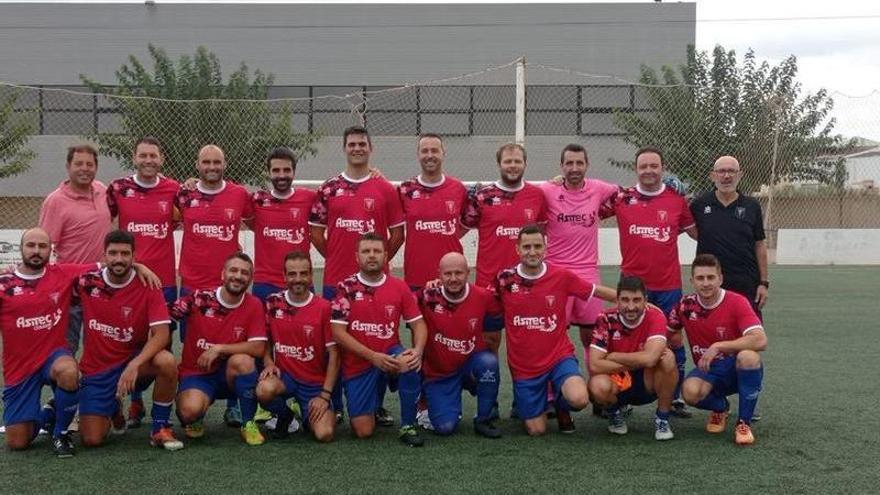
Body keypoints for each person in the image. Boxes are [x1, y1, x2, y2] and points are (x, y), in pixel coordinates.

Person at [309, 125, 405, 425]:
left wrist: (377, 262)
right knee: (334, 345)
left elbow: (398, 233)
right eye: (352, 144)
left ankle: (374, 404)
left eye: (362, 143)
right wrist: (338, 257)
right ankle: (335, 405)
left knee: (377, 341)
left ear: (371, 148)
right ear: (344, 148)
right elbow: (315, 232)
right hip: (336, 283)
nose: (357, 148)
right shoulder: (328, 188)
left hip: (376, 285)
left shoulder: (385, 188)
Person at [599, 146, 697, 417]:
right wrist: (558, 183)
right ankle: (623, 394)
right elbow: (585, 205)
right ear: (636, 169)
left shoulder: (677, 199)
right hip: (631, 286)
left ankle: (674, 397)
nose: (649, 171)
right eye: (644, 166)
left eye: (654, 166)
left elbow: (699, 232)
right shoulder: (621, 198)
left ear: (662, 168)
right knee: (625, 343)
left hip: (667, 286)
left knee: (673, 340)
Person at [492, 224, 616, 436]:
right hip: (524, 367)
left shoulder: (561, 276)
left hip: (559, 357)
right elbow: (480, 299)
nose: (532, 252)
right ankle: (534, 401)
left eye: (538, 246)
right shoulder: (504, 279)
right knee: (536, 430)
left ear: (546, 248)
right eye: (527, 246)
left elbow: (596, 291)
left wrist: (632, 300)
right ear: (517, 249)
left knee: (579, 398)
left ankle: (562, 407)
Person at [75, 230, 182, 451]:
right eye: (113, 253)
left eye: (125, 253)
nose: (119, 259)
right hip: (97, 370)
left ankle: (160, 428)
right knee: (92, 439)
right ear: (103, 255)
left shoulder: (148, 284)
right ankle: (112, 407)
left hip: (134, 364)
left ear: (134, 256)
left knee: (167, 361)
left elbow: (162, 334)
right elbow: (51, 274)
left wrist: (135, 364)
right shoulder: (87, 281)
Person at [175, 144, 253, 427]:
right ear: (197, 165)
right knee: (193, 344)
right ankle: (196, 397)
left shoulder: (239, 194)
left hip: (232, 287)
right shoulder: (184, 194)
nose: (211, 167)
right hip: (193, 286)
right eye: (206, 162)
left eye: (216, 162)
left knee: (235, 344)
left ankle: (234, 405)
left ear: (225, 164)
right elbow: (163, 222)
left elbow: (258, 221)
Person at [106, 136, 180, 428]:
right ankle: (135, 400)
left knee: (163, 346)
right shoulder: (118, 189)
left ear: (162, 159)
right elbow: (105, 223)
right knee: (130, 340)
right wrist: (133, 263)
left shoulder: (174, 189)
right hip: (128, 280)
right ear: (134, 158)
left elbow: (188, 214)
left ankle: (159, 407)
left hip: (164, 284)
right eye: (143, 156)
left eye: (154, 156)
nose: (148, 160)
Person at [330, 233, 427, 447]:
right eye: (366, 251)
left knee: (408, 362)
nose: (371, 256)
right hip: (359, 362)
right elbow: (338, 333)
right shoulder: (345, 287)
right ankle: (375, 399)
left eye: (377, 251)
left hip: (390, 353)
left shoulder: (399, 286)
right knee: (363, 431)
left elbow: (418, 323)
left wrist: (417, 350)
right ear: (357, 256)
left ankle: (408, 425)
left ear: (386, 256)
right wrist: (373, 357)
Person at [0, 228, 86, 457]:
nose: (36, 251)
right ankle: (49, 414)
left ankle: (60, 433)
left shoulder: (63, 274)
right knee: (18, 441)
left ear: (51, 250)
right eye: (31, 245)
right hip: (20, 368)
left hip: (54, 356)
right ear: (21, 248)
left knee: (68, 371)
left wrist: (139, 266)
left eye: (42, 246)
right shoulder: (4, 284)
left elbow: (105, 266)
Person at [667, 254, 767, 445]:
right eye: (700, 278)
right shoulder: (685, 305)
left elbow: (761, 340)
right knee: (689, 392)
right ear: (692, 281)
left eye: (711, 277)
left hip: (737, 369)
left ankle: (743, 423)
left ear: (720, 278)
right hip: (709, 371)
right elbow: (666, 334)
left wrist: (719, 346)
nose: (706, 283)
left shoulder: (737, 302)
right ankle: (721, 408)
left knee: (748, 356)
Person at [171, 253, 268, 446]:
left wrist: (220, 349)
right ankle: (196, 416)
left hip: (230, 374)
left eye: (244, 272)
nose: (238, 276)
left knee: (243, 360)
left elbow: (258, 347)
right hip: (198, 373)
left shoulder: (254, 304)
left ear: (250, 279)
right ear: (222, 274)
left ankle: (248, 422)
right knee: (189, 411)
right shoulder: (199, 299)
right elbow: (166, 315)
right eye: (233, 270)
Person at [461, 143, 547, 354]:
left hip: (528, 282)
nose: (513, 166)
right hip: (489, 284)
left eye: (517, 161)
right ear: (499, 164)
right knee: (489, 341)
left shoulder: (537, 195)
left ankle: (528, 385)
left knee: (528, 342)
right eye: (508, 161)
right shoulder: (482, 197)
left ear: (525, 164)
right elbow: (459, 229)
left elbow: (543, 236)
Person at [417, 252, 502, 438]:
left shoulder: (482, 296)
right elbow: (401, 305)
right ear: (438, 274)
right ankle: (426, 399)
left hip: (471, 365)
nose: (453, 279)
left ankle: (483, 418)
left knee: (489, 362)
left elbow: (503, 311)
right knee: (445, 428)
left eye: (458, 273)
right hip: (440, 373)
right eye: (447, 274)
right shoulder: (427, 296)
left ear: (468, 272)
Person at [257, 251, 339, 443]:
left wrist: (325, 396)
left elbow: (335, 355)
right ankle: (285, 414)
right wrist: (269, 362)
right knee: (263, 390)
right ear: (284, 276)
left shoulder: (324, 307)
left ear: (311, 276)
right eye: (292, 274)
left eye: (303, 274)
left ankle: (311, 411)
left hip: (314, 384)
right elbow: (264, 341)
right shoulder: (273, 303)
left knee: (324, 434)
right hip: (285, 378)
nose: (298, 279)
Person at [39, 144, 112, 354]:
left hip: (101, 286)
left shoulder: (102, 191)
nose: (84, 168)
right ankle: (65, 386)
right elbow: (44, 247)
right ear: (68, 166)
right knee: (65, 349)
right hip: (69, 290)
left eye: (90, 164)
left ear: (96, 167)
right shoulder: (55, 201)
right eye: (78, 163)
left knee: (99, 348)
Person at [588, 276, 678, 441]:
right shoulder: (605, 318)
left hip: (647, 380)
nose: (631, 306)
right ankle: (614, 412)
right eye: (625, 300)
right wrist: (639, 360)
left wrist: (614, 356)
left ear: (646, 300)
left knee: (668, 359)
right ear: (617, 300)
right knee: (597, 385)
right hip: (619, 380)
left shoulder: (656, 315)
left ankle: (662, 419)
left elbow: (651, 359)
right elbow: (594, 365)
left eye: (637, 300)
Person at [690, 155, 769, 319]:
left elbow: (759, 245)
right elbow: (681, 227)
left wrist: (763, 283)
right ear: (713, 175)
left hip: (746, 283)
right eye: (721, 171)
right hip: (710, 283)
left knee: (750, 336)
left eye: (731, 171)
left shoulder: (751, 206)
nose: (727, 176)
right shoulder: (699, 205)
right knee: (712, 333)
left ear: (739, 175)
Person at [398, 133, 468, 291]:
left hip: (452, 276)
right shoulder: (405, 190)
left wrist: (446, 234)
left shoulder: (458, 188)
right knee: (417, 316)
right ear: (418, 155)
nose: (430, 155)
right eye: (425, 151)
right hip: (416, 276)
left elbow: (466, 223)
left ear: (444, 153)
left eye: (435, 151)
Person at [250, 148, 316, 302]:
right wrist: (194, 181)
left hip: (301, 281)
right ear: (268, 173)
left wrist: (372, 174)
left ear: (294, 171)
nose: (281, 175)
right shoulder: (257, 200)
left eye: (286, 170)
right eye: (276, 170)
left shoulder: (309, 198)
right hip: (265, 283)